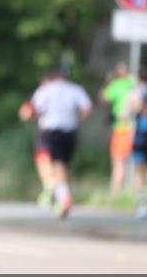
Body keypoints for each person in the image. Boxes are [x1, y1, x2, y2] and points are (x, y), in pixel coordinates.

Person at [29, 67, 93, 218]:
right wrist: (77, 119)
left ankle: (49, 185)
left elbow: (33, 109)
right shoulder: (76, 90)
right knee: (61, 164)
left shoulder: (45, 89)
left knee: (43, 158)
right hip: (69, 131)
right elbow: (88, 109)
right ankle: (64, 198)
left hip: (49, 130)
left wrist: (36, 115)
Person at [125, 66, 147, 219]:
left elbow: (124, 114)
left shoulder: (135, 93)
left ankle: (143, 205)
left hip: (140, 135)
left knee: (138, 172)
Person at [99, 62, 137, 192]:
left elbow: (103, 98)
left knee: (118, 161)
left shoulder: (117, 85)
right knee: (134, 162)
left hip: (122, 127)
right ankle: (129, 190)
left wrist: (108, 82)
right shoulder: (134, 83)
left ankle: (116, 191)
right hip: (134, 127)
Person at [19, 72, 55, 207]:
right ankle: (62, 191)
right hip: (66, 131)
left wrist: (28, 114)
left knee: (43, 159)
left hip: (45, 130)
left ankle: (49, 187)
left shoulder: (43, 92)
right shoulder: (67, 90)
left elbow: (27, 112)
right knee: (59, 161)